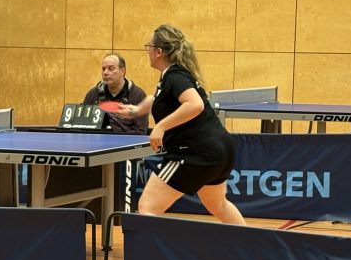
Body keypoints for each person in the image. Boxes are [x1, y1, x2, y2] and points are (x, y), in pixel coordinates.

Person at [125, 24, 245, 225]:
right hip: (221, 150)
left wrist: (161, 126)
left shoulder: (175, 76)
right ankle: (251, 244)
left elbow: (195, 104)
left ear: (159, 52)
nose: (147, 51)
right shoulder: (175, 75)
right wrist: (136, 110)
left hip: (194, 154)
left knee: (147, 207)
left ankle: (157, 248)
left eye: (149, 47)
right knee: (218, 205)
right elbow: (159, 99)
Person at [82, 53, 148, 135]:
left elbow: (140, 131)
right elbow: (82, 125)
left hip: (126, 141)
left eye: (110, 69)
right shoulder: (93, 94)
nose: (105, 72)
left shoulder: (138, 95)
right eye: (103, 69)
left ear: (122, 71)